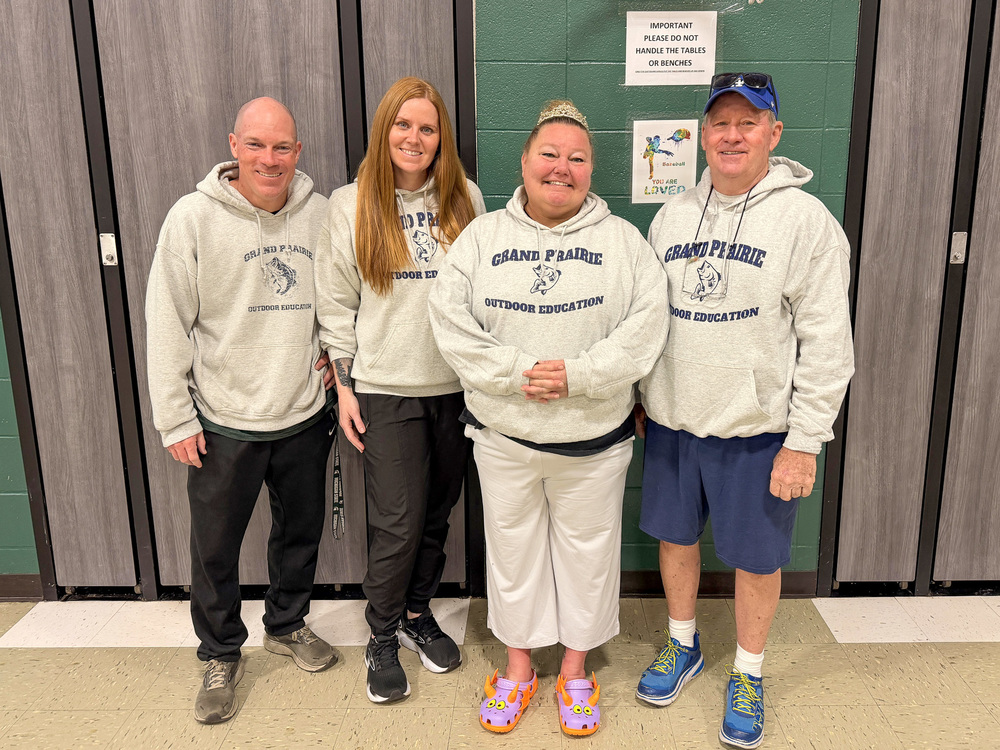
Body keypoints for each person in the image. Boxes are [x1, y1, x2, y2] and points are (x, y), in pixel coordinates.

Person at [428, 100, 669, 737]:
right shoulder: (481, 239)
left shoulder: (624, 244)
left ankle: (575, 671)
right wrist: (517, 372)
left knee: (589, 554)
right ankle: (517, 669)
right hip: (503, 436)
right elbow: (451, 325)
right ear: (526, 161)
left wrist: (580, 375)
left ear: (592, 170)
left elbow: (646, 329)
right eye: (550, 155)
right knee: (512, 552)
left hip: (593, 441)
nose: (562, 168)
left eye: (577, 158)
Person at [635, 73, 854, 749]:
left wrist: (805, 440)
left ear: (774, 134)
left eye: (748, 123)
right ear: (703, 134)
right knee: (675, 540)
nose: (732, 135)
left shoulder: (806, 221)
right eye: (720, 123)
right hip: (673, 421)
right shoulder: (670, 217)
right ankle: (683, 643)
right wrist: (642, 394)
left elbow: (826, 342)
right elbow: (647, 319)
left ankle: (750, 672)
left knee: (757, 560)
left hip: (760, 430)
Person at [146, 97, 337, 725]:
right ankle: (220, 650)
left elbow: (338, 300)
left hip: (304, 412)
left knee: (299, 534)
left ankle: (287, 622)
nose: (269, 159)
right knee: (215, 547)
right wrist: (175, 417)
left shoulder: (322, 215)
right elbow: (167, 321)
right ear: (234, 145)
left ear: (298, 151)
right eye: (256, 145)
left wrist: (332, 365)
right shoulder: (192, 219)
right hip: (222, 418)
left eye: (282, 147)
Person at [314, 77, 486, 704]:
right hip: (385, 388)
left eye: (428, 127)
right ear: (385, 130)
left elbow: (481, 293)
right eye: (403, 125)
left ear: (441, 138)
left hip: (456, 388)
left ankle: (417, 616)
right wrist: (345, 385)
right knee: (397, 522)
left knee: (437, 514)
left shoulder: (465, 197)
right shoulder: (350, 202)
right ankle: (381, 636)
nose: (415, 138)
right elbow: (335, 301)